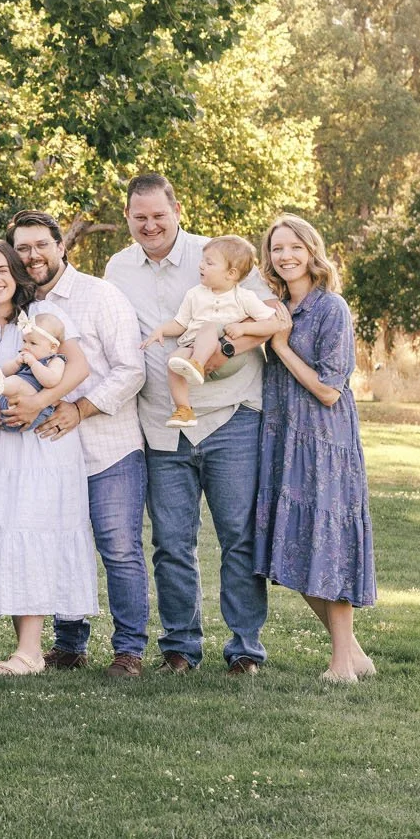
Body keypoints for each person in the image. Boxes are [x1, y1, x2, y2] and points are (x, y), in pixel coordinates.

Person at [103, 172, 287, 674]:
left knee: (238, 537)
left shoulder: (221, 254)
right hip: (162, 425)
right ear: (127, 218)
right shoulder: (117, 269)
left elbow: (271, 318)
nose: (150, 225)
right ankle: (180, 648)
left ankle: (244, 649)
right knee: (171, 542)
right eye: (139, 217)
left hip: (230, 416)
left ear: (177, 210)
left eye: (159, 215)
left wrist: (219, 349)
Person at [0, 238, 99, 677]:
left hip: (39, 449)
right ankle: (25, 648)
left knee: (27, 530)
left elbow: (79, 369)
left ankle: (31, 652)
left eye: (2, 270)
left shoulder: (44, 317)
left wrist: (37, 403)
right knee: (5, 531)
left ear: (16, 273)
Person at [6, 211, 149, 676]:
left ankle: (128, 651)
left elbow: (131, 369)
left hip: (109, 445)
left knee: (119, 547)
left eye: (40, 245)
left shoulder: (99, 295)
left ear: (61, 245)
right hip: (49, 453)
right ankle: (69, 645)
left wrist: (79, 409)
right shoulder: (20, 307)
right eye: (22, 248)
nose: (32, 256)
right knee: (62, 543)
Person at [254, 213, 378, 682]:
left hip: (325, 442)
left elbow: (329, 389)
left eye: (294, 248)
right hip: (283, 436)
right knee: (291, 547)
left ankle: (342, 663)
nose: (284, 256)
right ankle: (355, 654)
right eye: (276, 248)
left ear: (312, 252)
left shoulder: (332, 309)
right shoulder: (274, 307)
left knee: (329, 546)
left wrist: (281, 346)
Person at [146, 236, 283, 423]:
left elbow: (273, 323)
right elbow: (181, 323)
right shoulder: (194, 294)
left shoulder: (244, 297)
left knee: (209, 327)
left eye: (209, 263)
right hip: (195, 348)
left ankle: (197, 364)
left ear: (231, 273)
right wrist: (161, 330)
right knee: (173, 361)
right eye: (202, 261)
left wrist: (244, 328)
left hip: (229, 356)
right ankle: (184, 410)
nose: (201, 266)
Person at [0, 318, 68, 443]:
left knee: (17, 381)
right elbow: (5, 371)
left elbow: (51, 381)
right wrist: (16, 362)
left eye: (32, 343)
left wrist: (33, 363)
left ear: (52, 347)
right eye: (24, 341)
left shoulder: (55, 360)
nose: (26, 346)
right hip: (5, 408)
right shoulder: (24, 356)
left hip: (31, 405)